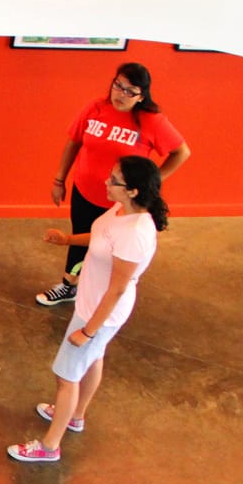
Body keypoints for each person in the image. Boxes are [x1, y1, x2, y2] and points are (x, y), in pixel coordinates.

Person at [9, 155, 168, 462]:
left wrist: (88, 329)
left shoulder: (135, 233)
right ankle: (75, 416)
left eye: (114, 181)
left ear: (133, 190)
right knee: (93, 359)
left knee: (66, 376)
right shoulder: (122, 210)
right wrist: (66, 240)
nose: (106, 183)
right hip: (93, 304)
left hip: (98, 312)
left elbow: (118, 287)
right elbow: (101, 239)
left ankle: (50, 446)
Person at [37, 62, 189, 307]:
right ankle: (69, 285)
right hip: (85, 191)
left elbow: (181, 152)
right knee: (79, 238)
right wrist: (59, 179)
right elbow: (74, 141)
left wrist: (152, 181)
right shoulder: (95, 107)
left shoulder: (152, 121)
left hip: (121, 202)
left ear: (142, 96)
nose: (121, 94)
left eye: (130, 91)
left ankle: (105, 296)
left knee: (110, 247)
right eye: (118, 86)